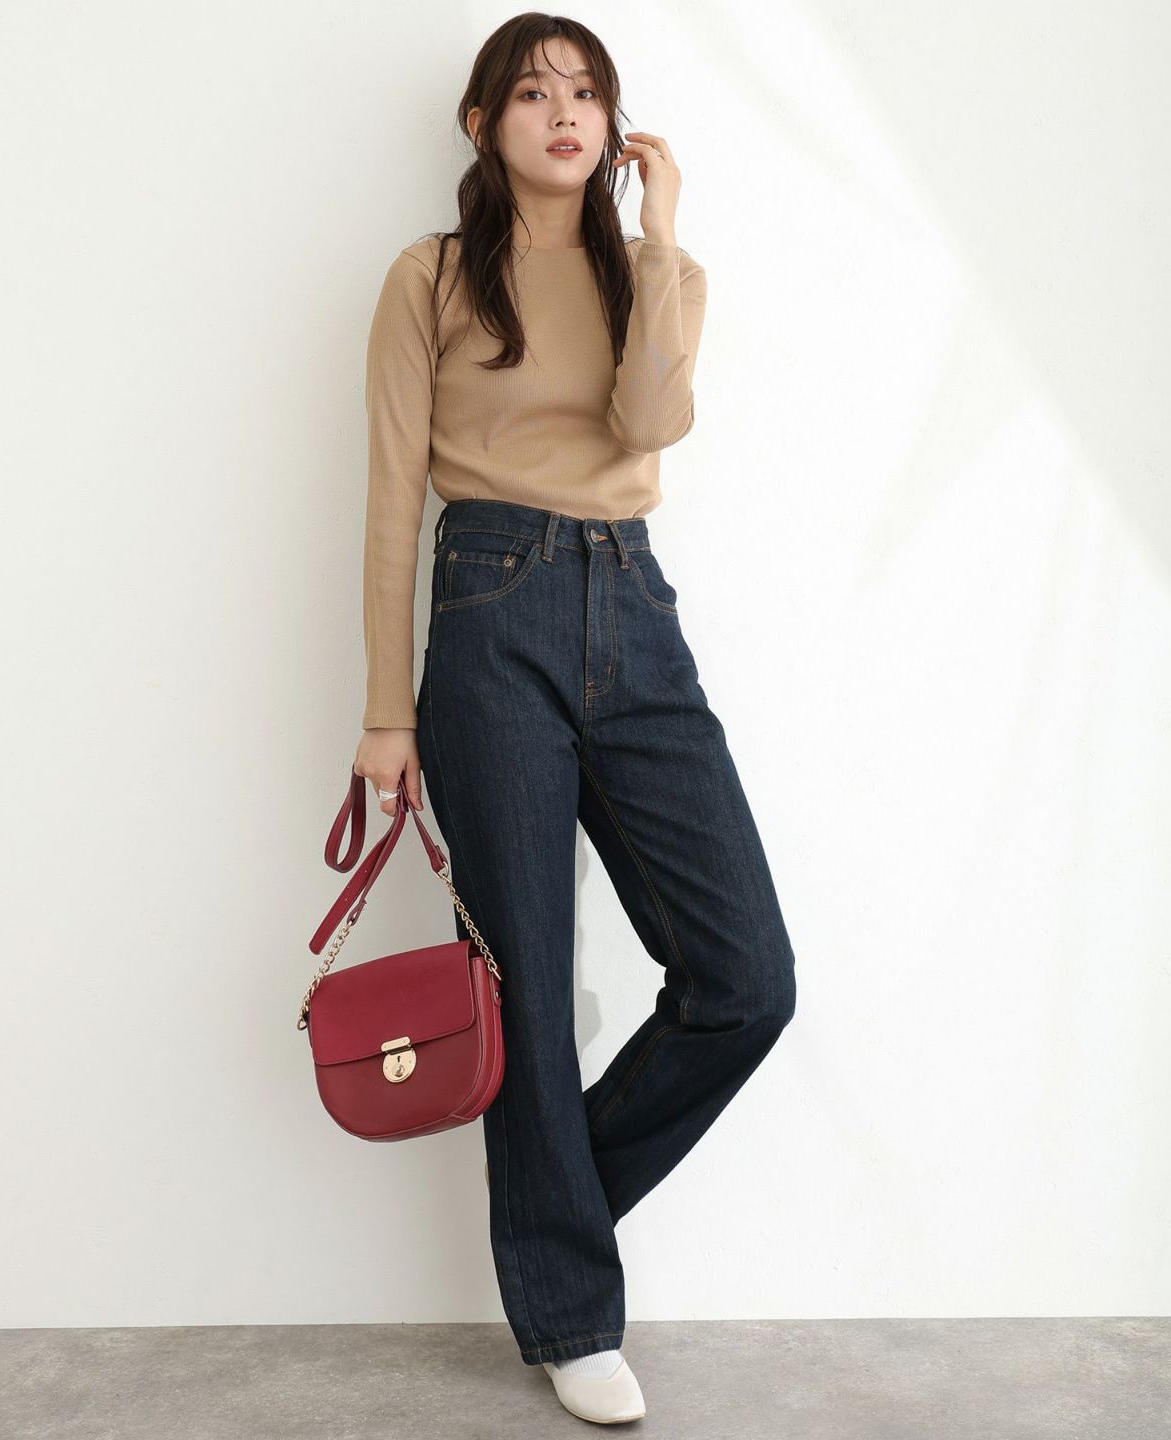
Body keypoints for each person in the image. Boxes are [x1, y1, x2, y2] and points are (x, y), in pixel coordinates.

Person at [353, 15, 796, 1426]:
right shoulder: (430, 277)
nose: (566, 112)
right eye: (534, 92)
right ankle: (571, 1312)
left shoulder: (661, 274)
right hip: (489, 613)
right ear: (482, 124)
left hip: (635, 611)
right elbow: (389, 496)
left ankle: (552, 1232)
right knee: (530, 982)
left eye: (589, 93)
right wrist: (384, 710)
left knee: (746, 977)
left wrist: (658, 236)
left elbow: (648, 425)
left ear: (614, 125)